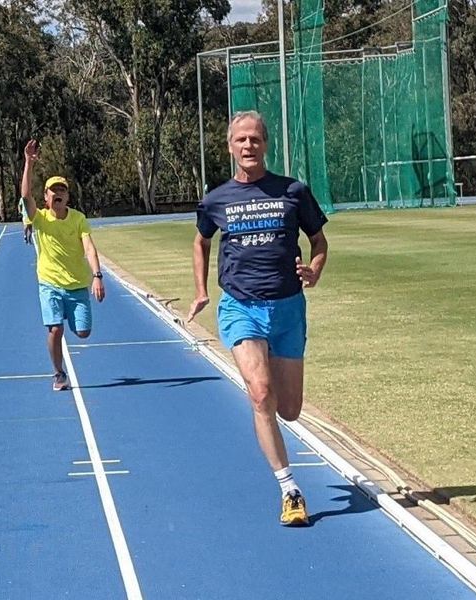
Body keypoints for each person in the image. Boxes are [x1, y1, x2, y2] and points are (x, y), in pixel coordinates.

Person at [187, 111, 328, 526]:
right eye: (240, 140)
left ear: (266, 145)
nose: (248, 146)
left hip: (287, 309)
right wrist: (201, 290)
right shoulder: (215, 200)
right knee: (261, 394)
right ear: (230, 147)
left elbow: (318, 239)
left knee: (290, 409)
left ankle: (284, 464)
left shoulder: (293, 191)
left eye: (255, 139)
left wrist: (316, 268)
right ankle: (290, 489)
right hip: (240, 306)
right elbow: (200, 241)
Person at [21, 139, 106, 391]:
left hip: (77, 284)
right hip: (49, 283)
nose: (58, 194)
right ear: (46, 197)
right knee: (55, 329)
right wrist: (28, 163)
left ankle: (72, 317)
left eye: (63, 191)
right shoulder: (40, 218)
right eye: (53, 191)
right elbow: (25, 195)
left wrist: (97, 275)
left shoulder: (78, 218)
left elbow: (89, 247)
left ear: (67, 196)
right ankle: (58, 373)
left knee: (83, 333)